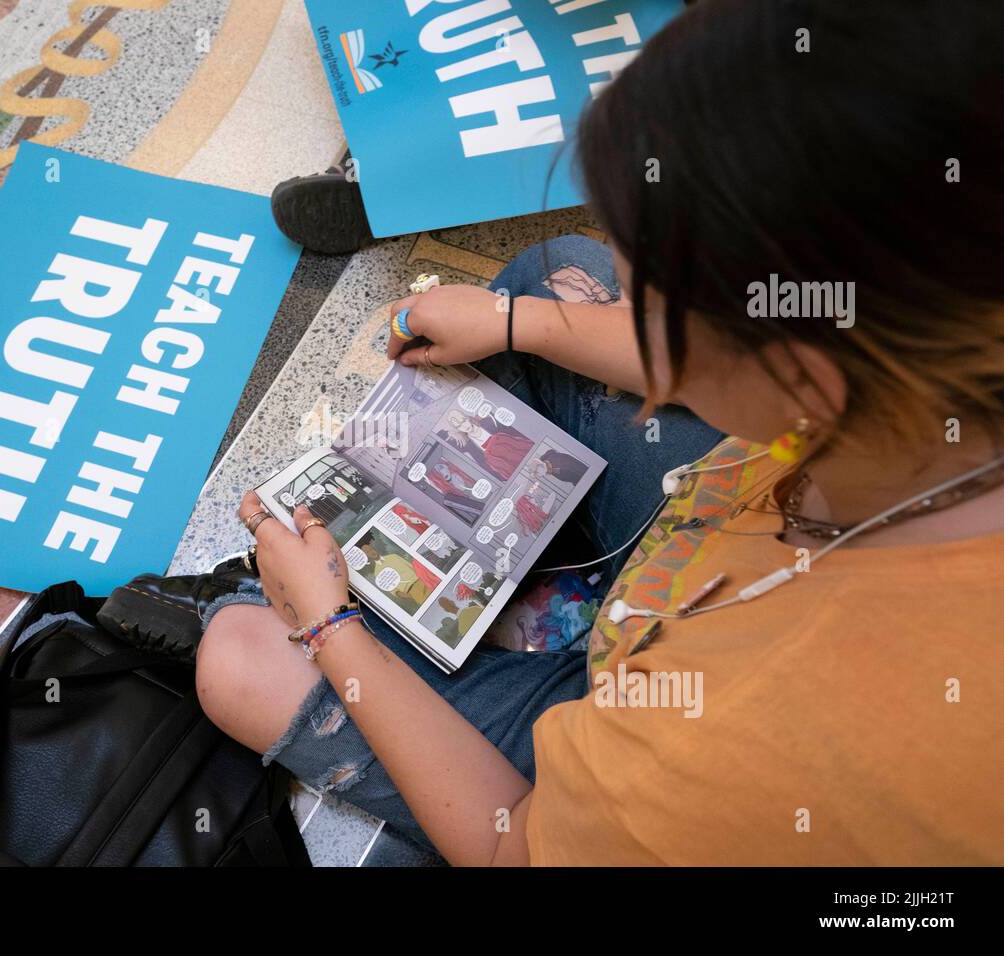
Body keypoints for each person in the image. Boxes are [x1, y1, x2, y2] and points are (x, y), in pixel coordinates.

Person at [126, 0, 1003, 865]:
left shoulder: (755, 731)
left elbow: (516, 843)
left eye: (652, 303)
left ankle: (326, 611)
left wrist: (330, 628)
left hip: (646, 725)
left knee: (241, 653)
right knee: (555, 282)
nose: (629, 307)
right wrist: (520, 323)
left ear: (805, 379)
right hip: (735, 545)